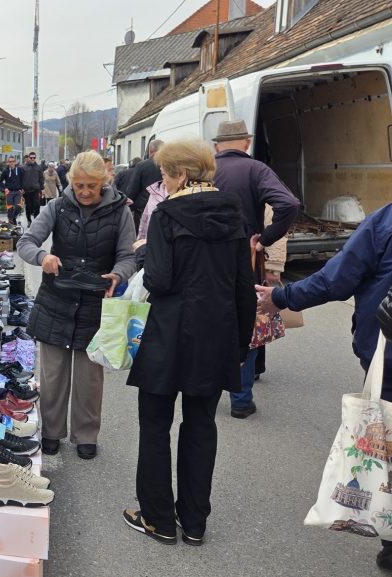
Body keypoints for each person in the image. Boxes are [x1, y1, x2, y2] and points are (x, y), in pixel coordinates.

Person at [122, 139, 256, 546]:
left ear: (181, 175)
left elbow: (159, 281)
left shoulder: (167, 214)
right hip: (216, 334)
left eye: (164, 174)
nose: (162, 181)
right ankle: (194, 522)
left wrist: (144, 253)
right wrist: (240, 345)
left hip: (169, 332)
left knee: (155, 425)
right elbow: (243, 286)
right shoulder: (234, 214)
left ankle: (158, 518)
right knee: (201, 426)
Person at [256, 203, 392, 570]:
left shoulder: (385, 222)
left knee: (387, 446)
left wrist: (280, 298)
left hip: (388, 357)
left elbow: (337, 279)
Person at [16, 151, 138, 460]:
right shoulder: (56, 206)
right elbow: (26, 243)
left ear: (104, 183)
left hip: (95, 304)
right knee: (53, 375)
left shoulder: (121, 212)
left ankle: (86, 434)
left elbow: (128, 256)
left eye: (91, 186)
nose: (84, 192)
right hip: (56, 301)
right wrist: (43, 257)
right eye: (79, 185)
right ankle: (51, 432)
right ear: (71, 182)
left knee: (89, 379)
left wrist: (118, 274)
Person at [212, 119, 300, 418]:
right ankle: (240, 400)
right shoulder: (256, 170)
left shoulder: (203, 171)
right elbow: (288, 204)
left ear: (216, 146)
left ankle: (207, 392)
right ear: (247, 142)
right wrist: (265, 239)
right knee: (245, 323)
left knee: (208, 321)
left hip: (204, 261)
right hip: (244, 259)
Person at [124, 139, 164, 226]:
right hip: (164, 207)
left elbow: (132, 189)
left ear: (150, 151)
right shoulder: (169, 164)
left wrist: (127, 205)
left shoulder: (142, 165)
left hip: (143, 209)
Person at [21, 152, 45, 226]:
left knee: (37, 205)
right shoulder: (24, 167)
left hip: (36, 190)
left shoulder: (38, 167)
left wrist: (42, 189)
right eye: (31, 157)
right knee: (28, 206)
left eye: (34, 157)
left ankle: (36, 220)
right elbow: (20, 179)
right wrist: (21, 188)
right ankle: (29, 220)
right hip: (27, 190)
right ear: (28, 158)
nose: (32, 159)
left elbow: (41, 179)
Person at [0, 156, 25, 225]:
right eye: (10, 161)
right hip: (9, 192)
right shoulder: (5, 171)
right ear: (8, 163)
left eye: (13, 161)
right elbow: (0, 181)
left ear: (15, 162)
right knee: (10, 209)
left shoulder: (19, 170)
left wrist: (22, 188)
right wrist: (5, 188)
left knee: (18, 207)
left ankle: (12, 219)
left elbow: (23, 179)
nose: (12, 163)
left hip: (18, 192)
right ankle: (12, 224)